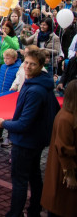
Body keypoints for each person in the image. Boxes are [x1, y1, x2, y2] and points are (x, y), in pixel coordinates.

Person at [0, 46, 61, 217]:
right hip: (36, 141)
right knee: (34, 176)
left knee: (20, 181)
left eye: (32, 64)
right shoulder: (40, 83)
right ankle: (34, 210)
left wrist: (4, 124)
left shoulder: (35, 90)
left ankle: (15, 213)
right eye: (26, 62)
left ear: (41, 65)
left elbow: (24, 124)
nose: (27, 66)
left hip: (25, 142)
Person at [41, 80, 77, 217]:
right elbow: (64, 149)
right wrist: (70, 174)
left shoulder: (69, 115)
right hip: (64, 173)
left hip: (65, 170)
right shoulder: (66, 118)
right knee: (62, 206)